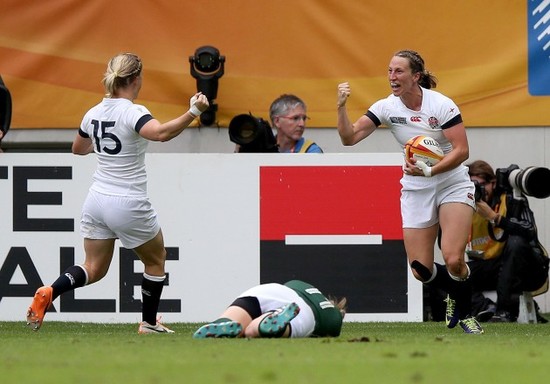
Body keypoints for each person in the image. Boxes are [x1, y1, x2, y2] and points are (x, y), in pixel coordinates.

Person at [25, 52, 209, 333]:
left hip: (96, 199)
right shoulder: (131, 111)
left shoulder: (93, 112)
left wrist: (103, 146)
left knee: (93, 268)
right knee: (156, 259)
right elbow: (160, 133)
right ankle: (148, 323)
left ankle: (50, 290)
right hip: (127, 200)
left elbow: (78, 148)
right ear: (136, 79)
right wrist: (193, 112)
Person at [336, 49, 483, 334]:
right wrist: (341, 106)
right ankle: (455, 290)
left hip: (452, 182)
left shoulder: (441, 105)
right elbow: (349, 137)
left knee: (454, 259)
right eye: (390, 70)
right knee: (420, 270)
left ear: (416, 76)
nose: (392, 76)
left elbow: (463, 150)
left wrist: (430, 170)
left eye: (399, 71)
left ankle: (465, 310)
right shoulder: (386, 107)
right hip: (416, 188)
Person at [466, 160, 549, 322]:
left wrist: (494, 218)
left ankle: (504, 311)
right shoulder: (467, 205)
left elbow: (528, 231)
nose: (479, 191)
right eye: (472, 186)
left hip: (529, 268)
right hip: (493, 266)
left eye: (482, 185)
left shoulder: (510, 198)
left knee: (516, 243)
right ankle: (487, 308)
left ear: (493, 183)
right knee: (453, 273)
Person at [193, 280, 346, 338]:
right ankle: (268, 321)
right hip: (302, 311)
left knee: (237, 316)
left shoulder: (301, 285)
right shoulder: (332, 317)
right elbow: (332, 328)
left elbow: (289, 284)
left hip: (270, 290)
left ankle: (223, 323)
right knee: (253, 331)